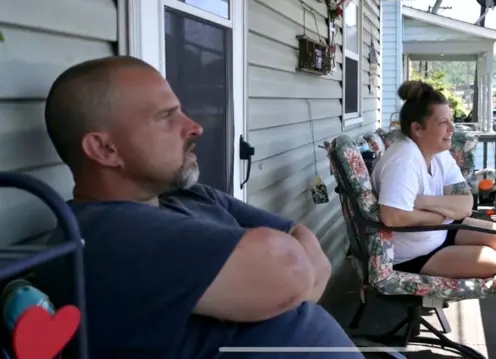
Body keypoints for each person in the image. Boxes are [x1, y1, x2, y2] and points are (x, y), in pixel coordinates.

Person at [38, 56, 365, 359]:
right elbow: (291, 267)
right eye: (166, 117)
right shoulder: (100, 236)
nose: (194, 127)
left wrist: (285, 293)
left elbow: (302, 239)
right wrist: (286, 289)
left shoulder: (192, 196)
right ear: (104, 149)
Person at [371, 80, 496, 280]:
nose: (452, 128)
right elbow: (394, 217)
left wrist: (423, 202)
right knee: (492, 261)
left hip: (440, 232)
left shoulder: (439, 153)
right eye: (443, 122)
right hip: (413, 253)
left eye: (450, 120)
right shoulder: (404, 159)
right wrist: (437, 217)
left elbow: (465, 203)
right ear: (417, 128)